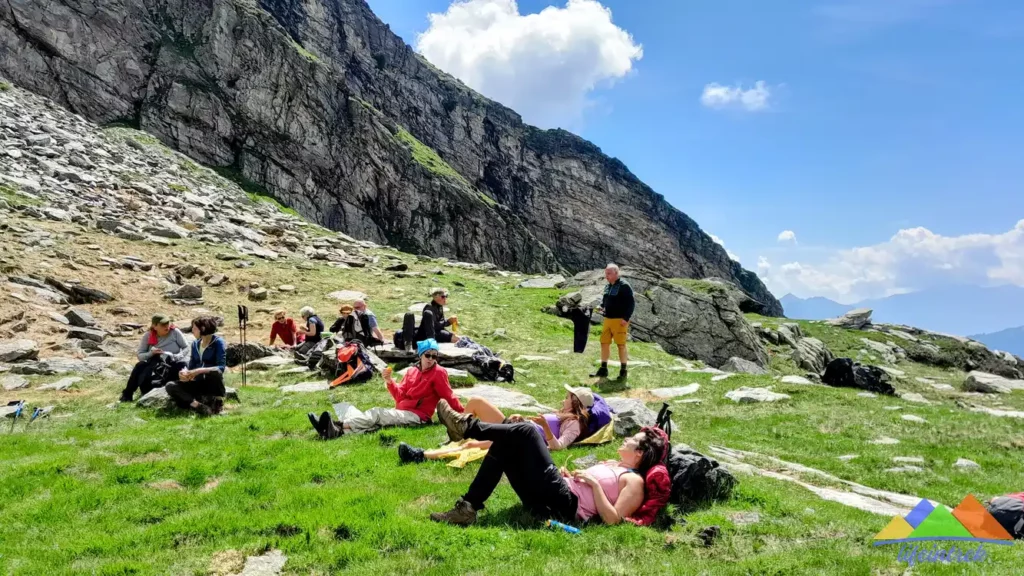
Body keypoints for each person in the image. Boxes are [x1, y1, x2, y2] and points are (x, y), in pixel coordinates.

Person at [429, 399, 670, 527]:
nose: (626, 439)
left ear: (640, 453)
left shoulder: (634, 482)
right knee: (508, 441)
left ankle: (468, 427)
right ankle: (467, 508)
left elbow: (613, 519)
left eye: (632, 440)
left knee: (527, 431)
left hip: (564, 505)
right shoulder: (616, 465)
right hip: (549, 495)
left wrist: (595, 485)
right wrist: (571, 475)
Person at [307, 339, 465, 437]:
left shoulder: (438, 373)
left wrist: (464, 415)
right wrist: (390, 382)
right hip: (402, 411)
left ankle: (338, 425)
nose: (431, 359)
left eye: (435, 355)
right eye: (428, 355)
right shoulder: (411, 371)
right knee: (374, 424)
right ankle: (334, 431)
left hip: (419, 417)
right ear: (420, 355)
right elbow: (399, 396)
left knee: (376, 413)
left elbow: (449, 396)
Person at [398, 385, 594, 464]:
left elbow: (558, 447)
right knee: (476, 401)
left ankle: (420, 455)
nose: (564, 398)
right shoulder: (562, 414)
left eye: (568, 397)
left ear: (576, 402)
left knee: (469, 445)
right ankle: (459, 428)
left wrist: (544, 425)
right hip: (515, 427)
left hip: (520, 438)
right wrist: (522, 417)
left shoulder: (574, 424)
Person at [120, 315, 190, 402]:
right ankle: (127, 395)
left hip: (173, 361)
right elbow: (140, 355)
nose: (166, 326)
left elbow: (186, 347)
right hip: (156, 363)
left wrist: (178, 356)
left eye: (167, 323)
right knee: (140, 365)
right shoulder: (148, 335)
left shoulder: (175, 332)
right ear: (155, 326)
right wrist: (151, 353)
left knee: (183, 364)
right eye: (163, 325)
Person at [165, 317, 227, 416]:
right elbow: (191, 366)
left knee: (215, 372)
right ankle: (198, 406)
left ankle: (216, 402)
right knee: (170, 385)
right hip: (197, 383)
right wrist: (186, 374)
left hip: (212, 384)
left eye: (194, 328)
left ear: (202, 328)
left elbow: (221, 368)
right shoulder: (195, 344)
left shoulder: (218, 343)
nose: (192, 331)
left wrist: (199, 370)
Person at [591, 263, 634, 381]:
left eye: (609, 273)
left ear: (616, 273)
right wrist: (601, 306)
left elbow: (631, 303)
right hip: (608, 319)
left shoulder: (625, 286)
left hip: (620, 320)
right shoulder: (608, 286)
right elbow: (605, 302)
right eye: (606, 273)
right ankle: (603, 368)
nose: (606, 276)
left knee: (621, 345)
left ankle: (623, 371)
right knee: (604, 342)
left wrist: (626, 318)